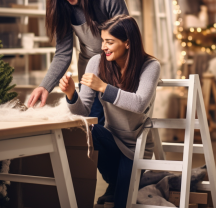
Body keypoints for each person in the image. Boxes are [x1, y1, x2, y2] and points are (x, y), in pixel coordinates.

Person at [59, 15, 160, 208]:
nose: (103, 46)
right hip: (110, 142)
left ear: (128, 43)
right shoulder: (96, 62)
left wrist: (104, 87)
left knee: (121, 203)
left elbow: (139, 104)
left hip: (135, 148)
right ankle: (117, 182)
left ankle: (122, 182)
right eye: (103, 41)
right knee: (86, 129)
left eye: (110, 42)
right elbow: (84, 113)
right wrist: (71, 95)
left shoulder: (150, 66)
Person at [27, 0, 129, 126]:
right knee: (93, 124)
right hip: (90, 72)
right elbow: (63, 54)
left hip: (119, 69)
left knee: (120, 126)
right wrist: (44, 86)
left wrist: (125, 75)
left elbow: (127, 37)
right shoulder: (61, 6)